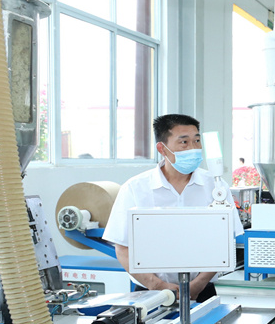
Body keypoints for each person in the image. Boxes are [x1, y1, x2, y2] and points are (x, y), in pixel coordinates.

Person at [102, 114, 243, 301]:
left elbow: (224, 242)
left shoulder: (216, 187)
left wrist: (199, 284)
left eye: (197, 141)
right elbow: (122, 248)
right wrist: (157, 285)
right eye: (184, 142)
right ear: (162, 148)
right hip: (150, 291)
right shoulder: (136, 188)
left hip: (203, 289)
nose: (193, 148)